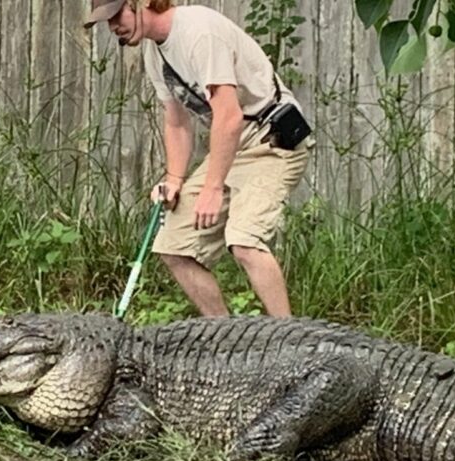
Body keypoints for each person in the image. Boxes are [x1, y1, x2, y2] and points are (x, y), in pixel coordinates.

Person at [84, 0, 314, 318]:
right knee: (172, 244)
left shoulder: (198, 32)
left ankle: (292, 340)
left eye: (116, 16)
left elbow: (229, 117)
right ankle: (225, 337)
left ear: (141, 3)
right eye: (105, 22)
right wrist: (174, 180)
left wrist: (212, 187)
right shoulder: (155, 53)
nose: (113, 28)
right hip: (234, 148)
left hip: (271, 142)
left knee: (244, 240)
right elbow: (177, 121)